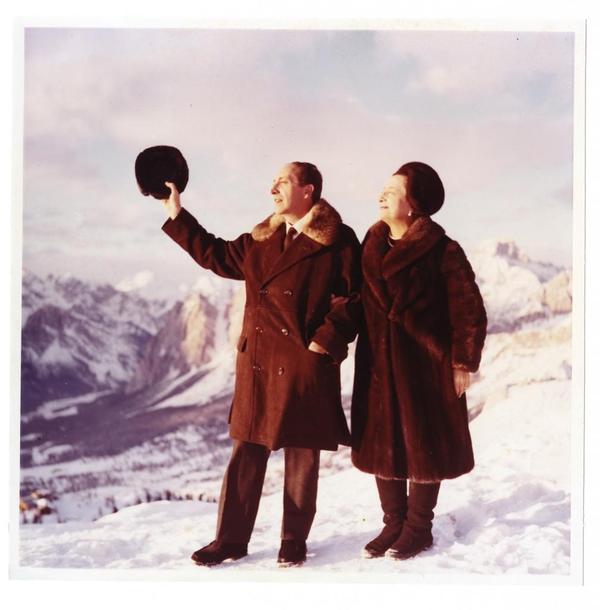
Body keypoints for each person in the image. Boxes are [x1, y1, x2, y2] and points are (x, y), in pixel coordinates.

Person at [159, 162, 361, 567]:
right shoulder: (262, 238)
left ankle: (293, 540)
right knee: (246, 452)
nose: (273, 188)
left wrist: (324, 342)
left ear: (309, 190)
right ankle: (230, 540)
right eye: (272, 182)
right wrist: (177, 214)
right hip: (258, 363)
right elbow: (215, 254)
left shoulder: (337, 241)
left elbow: (353, 299)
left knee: (302, 455)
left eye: (282, 181)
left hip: (305, 362)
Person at [351, 162, 487, 560]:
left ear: (414, 204)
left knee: (425, 443)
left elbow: (469, 310)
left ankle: (418, 527)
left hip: (425, 366)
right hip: (377, 363)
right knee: (382, 440)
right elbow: (355, 301)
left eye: (392, 191)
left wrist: (462, 363)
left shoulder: (443, 250)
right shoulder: (371, 246)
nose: (382, 195)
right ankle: (393, 523)